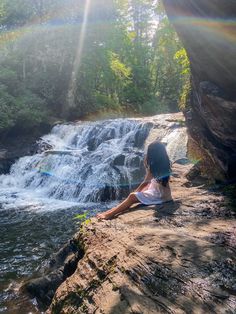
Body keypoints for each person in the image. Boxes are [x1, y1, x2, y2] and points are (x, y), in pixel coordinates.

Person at [96, 141, 173, 220]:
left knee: (132, 196)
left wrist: (136, 192)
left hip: (160, 197)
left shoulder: (154, 167)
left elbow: (146, 182)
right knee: (132, 197)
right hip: (161, 193)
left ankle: (109, 215)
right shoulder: (165, 163)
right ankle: (110, 211)